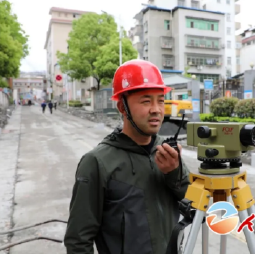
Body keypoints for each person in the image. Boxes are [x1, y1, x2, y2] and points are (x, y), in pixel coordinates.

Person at [64, 59, 190, 254]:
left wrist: (174, 173)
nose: (156, 109)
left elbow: (195, 204)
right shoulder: (97, 162)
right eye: (146, 101)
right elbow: (78, 240)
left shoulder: (167, 153)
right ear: (122, 107)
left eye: (160, 100)